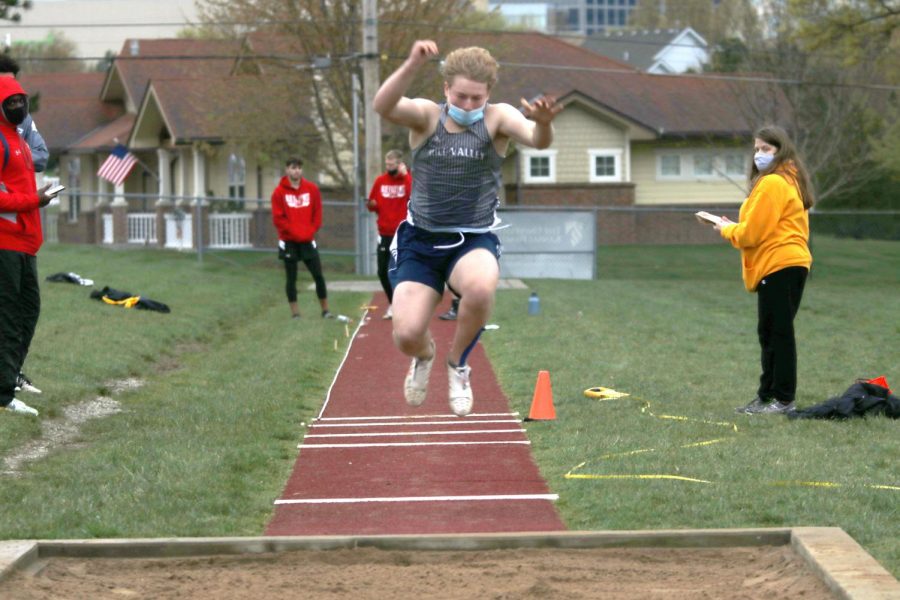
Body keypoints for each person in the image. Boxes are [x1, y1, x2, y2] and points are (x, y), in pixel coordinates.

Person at [373, 40, 561, 416]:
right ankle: (425, 355)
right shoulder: (427, 116)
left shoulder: (499, 119)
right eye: (461, 97)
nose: (469, 106)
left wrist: (543, 124)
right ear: (446, 89)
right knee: (407, 334)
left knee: (479, 286)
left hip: (471, 237)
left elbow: (538, 142)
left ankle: (458, 364)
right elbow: (384, 106)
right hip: (420, 240)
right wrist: (411, 63)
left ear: (489, 93)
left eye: (477, 98)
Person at [700, 125, 814, 415]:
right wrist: (733, 226)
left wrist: (725, 229)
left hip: (780, 264)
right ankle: (767, 397)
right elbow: (758, 227)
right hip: (786, 263)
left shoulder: (774, 182)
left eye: (766, 149)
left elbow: (751, 235)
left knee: (777, 334)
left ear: (780, 150)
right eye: (756, 149)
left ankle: (783, 399)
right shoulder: (787, 179)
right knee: (771, 332)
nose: (758, 154)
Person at [0, 77, 59, 416]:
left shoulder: (19, 141)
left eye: (21, 101)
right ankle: (4, 393)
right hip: (5, 241)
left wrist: (41, 198)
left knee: (28, 311)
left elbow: (21, 188)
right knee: (8, 316)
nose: (18, 108)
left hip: (26, 242)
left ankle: (8, 378)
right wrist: (31, 201)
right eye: (10, 103)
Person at [270, 157, 331, 319]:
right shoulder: (279, 192)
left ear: (301, 170)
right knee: (291, 278)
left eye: (298, 168)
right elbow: (278, 219)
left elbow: (317, 214)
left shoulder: (312, 189)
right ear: (287, 170)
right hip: (289, 241)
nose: (296, 170)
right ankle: (295, 313)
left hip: (307, 240)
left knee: (318, 275)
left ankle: (325, 310)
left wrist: (309, 230)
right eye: (292, 168)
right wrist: (294, 232)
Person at [366, 149, 411, 320]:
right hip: (384, 233)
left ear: (400, 164)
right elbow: (373, 204)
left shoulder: (408, 180)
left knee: (401, 271)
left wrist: (406, 176)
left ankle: (405, 305)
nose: (389, 167)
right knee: (382, 271)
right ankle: (394, 302)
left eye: (392, 164)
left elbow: (414, 197)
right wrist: (371, 204)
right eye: (387, 164)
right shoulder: (380, 181)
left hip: (403, 233)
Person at [0, 55, 49, 174]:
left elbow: (41, 156)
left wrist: (14, 155)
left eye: (11, 82)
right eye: (3, 82)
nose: (9, 87)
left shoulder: (23, 118)